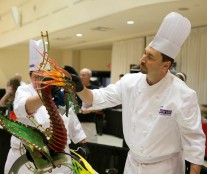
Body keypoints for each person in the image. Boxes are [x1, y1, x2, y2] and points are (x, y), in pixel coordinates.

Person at [71, 12, 206, 173]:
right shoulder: (129, 82)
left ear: (165, 65)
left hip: (165, 168)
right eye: (145, 52)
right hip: (133, 165)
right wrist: (80, 88)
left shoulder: (183, 94)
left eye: (150, 57)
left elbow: (194, 142)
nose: (142, 59)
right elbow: (96, 98)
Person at [4, 40, 88, 174]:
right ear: (30, 75)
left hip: (60, 160)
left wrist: (82, 142)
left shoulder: (60, 93)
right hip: (27, 160)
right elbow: (22, 109)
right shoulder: (24, 90)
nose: (41, 79)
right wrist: (45, 95)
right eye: (37, 75)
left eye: (45, 75)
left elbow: (71, 117)